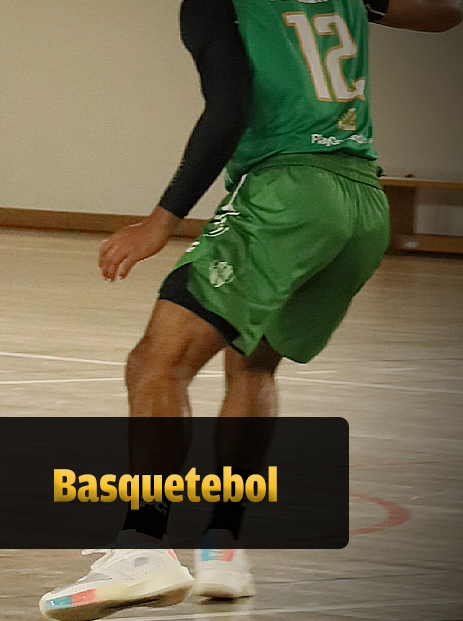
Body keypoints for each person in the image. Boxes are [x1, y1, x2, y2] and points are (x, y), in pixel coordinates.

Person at [40, 0, 461, 618]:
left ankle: (142, 546)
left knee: (157, 363)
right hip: (362, 206)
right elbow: (444, 12)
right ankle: (224, 548)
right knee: (253, 365)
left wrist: (161, 220)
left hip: (288, 192)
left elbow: (229, 109)